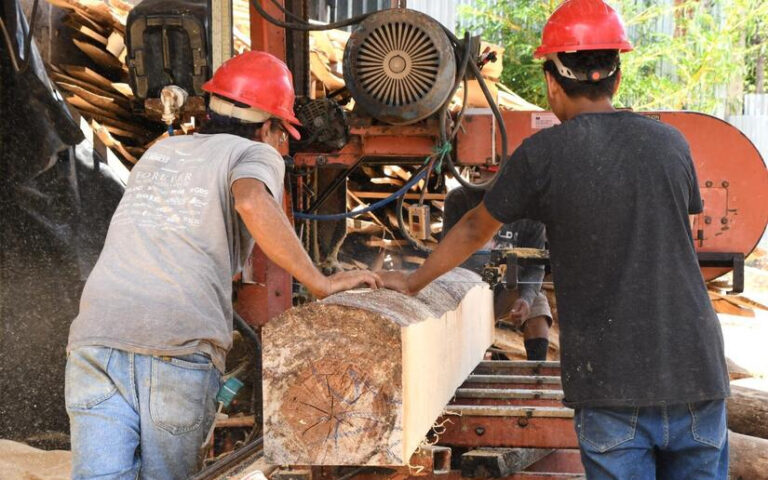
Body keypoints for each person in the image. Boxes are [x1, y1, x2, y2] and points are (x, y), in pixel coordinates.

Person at [380, 0, 730, 478]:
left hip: (611, 383)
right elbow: (675, 241)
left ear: (551, 83)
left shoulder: (543, 154)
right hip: (697, 374)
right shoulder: (671, 143)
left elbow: (473, 227)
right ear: (617, 77)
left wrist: (412, 283)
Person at [65, 51, 380, 480]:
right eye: (280, 134)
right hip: (175, 343)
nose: (280, 145)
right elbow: (251, 200)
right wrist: (320, 282)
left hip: (95, 337)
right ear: (268, 125)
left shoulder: (162, 151)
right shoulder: (253, 154)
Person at [443, 185, 551, 360]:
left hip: (507, 286)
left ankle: (537, 375)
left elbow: (535, 266)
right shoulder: (461, 199)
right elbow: (447, 252)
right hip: (466, 288)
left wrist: (526, 299)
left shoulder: (532, 211)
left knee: (537, 303)